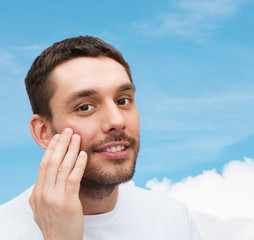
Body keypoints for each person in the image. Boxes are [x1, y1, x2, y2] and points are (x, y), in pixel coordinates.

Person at [0, 36, 201, 240]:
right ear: (43, 132)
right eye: (85, 107)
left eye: (122, 101)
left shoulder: (173, 218)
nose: (117, 120)